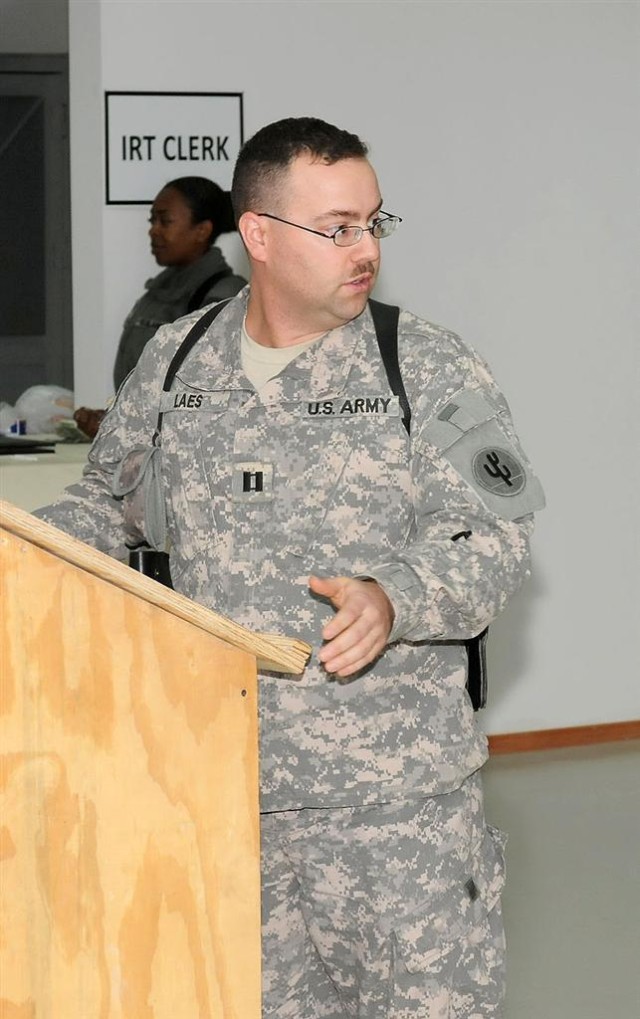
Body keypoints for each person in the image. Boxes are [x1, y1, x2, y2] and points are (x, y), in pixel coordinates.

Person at [36, 117, 545, 1017]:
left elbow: (493, 537)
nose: (367, 250)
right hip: (223, 793)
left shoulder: (421, 364)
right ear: (260, 234)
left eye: (375, 223)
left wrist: (396, 594)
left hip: (394, 815)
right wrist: (28, 544)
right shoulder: (176, 359)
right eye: (339, 227)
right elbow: (105, 507)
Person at [111, 175, 247, 390]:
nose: (153, 230)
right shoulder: (155, 293)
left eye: (165, 221)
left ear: (202, 230)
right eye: (152, 221)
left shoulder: (225, 296)